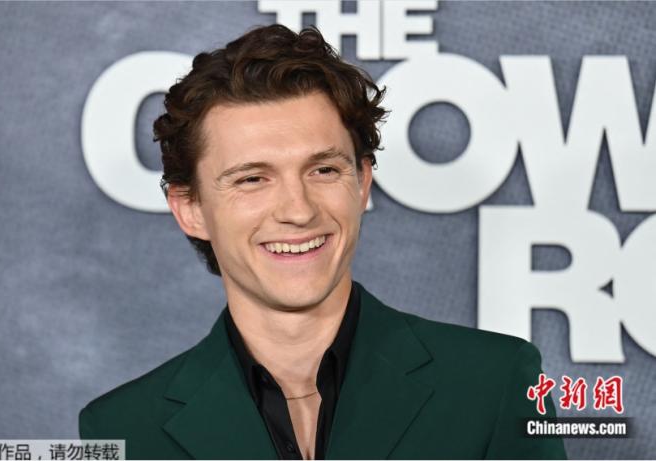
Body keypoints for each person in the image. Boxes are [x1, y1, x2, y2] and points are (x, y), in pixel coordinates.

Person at [79, 24, 566, 460]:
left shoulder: (496, 382)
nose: (299, 210)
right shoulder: (121, 430)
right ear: (190, 209)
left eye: (324, 170)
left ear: (362, 184)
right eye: (252, 179)